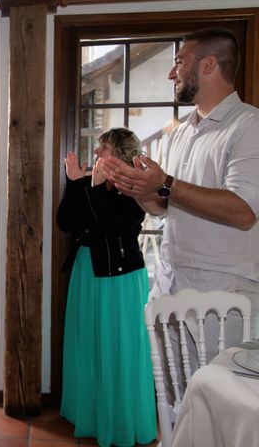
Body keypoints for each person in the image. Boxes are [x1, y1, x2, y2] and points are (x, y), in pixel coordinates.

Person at [99, 28, 259, 359]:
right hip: (170, 286)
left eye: (179, 62)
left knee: (220, 404)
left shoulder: (249, 126)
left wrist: (166, 183)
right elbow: (163, 206)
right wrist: (137, 190)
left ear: (208, 65)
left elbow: (243, 211)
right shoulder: (180, 134)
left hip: (223, 295)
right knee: (173, 404)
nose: (172, 73)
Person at [58, 128, 157, 447]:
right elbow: (66, 221)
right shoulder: (91, 182)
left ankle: (121, 422)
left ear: (122, 155)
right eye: (98, 146)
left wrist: (97, 188)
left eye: (104, 147)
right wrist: (75, 184)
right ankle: (91, 416)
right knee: (88, 345)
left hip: (121, 279)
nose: (97, 152)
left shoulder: (137, 190)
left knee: (119, 349)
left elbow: (113, 227)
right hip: (87, 272)